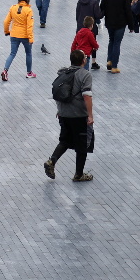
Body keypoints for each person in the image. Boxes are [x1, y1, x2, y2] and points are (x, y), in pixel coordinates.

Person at [44, 50, 94, 183]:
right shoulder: (85, 75)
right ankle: (79, 174)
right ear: (83, 60)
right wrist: (90, 115)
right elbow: (87, 96)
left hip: (64, 114)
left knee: (65, 141)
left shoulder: (63, 73)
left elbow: (58, 92)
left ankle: (51, 161)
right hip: (78, 115)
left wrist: (60, 110)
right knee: (82, 145)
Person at [101, 0, 134, 73]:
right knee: (117, 43)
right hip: (120, 23)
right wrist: (131, 26)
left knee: (111, 40)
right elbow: (128, 12)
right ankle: (114, 66)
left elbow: (101, 8)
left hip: (109, 22)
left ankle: (109, 60)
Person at [1, 0, 35, 82]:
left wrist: (7, 31)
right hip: (25, 36)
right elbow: (29, 26)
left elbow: (6, 21)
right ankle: (29, 72)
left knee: (12, 54)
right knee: (28, 53)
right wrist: (30, 38)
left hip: (14, 34)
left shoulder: (13, 8)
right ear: (27, 0)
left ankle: (5, 70)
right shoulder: (28, 10)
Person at [74, 0, 103, 68]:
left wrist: (79, 23)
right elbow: (98, 15)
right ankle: (93, 62)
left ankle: (79, 61)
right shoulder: (94, 2)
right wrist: (103, 12)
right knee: (91, 44)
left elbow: (77, 13)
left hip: (80, 26)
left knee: (81, 44)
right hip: (91, 27)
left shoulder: (80, 1)